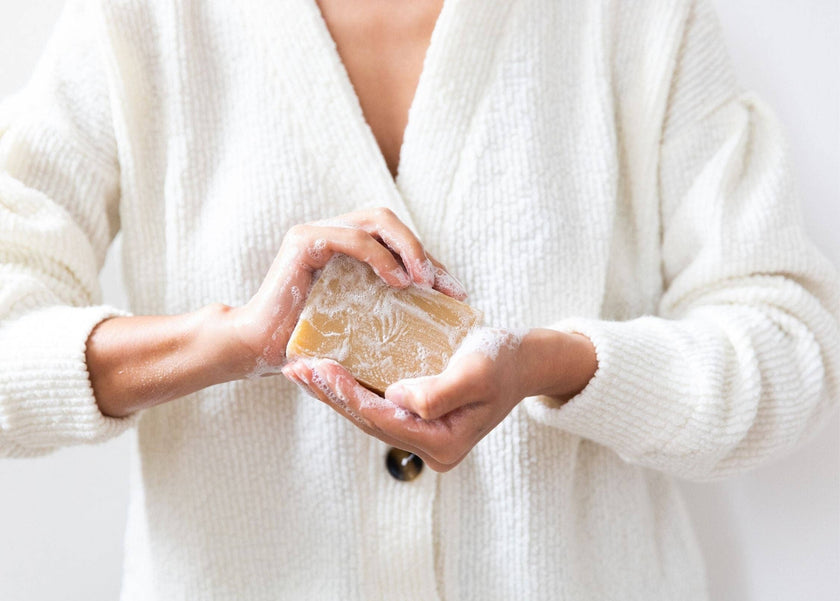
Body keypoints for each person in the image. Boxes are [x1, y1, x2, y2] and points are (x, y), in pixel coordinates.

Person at [1, 0, 837, 599]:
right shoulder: (142, 20)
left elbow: (792, 344)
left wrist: (557, 367)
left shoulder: (632, 19)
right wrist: (233, 341)